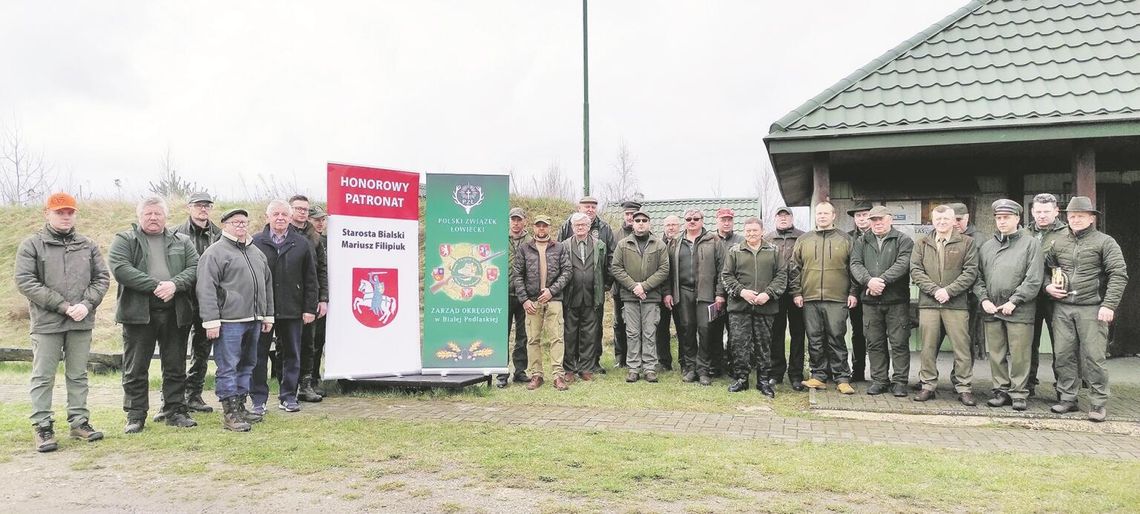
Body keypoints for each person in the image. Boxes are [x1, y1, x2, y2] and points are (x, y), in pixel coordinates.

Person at [16, 192, 110, 452]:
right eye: (60, 212)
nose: (65, 216)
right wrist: (62, 305)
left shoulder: (87, 245)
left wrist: (86, 304)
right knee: (43, 376)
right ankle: (42, 427)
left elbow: (101, 278)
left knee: (78, 375)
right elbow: (26, 281)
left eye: (70, 212)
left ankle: (79, 422)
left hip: (81, 320)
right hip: (47, 322)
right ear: (47, 213)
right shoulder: (32, 245)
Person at [108, 196, 201, 433]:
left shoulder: (182, 240)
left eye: (158, 213)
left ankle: (175, 410)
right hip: (139, 313)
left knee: (175, 365)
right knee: (136, 367)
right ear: (139, 216)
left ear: (165, 216)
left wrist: (175, 285)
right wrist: (156, 285)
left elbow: (195, 267)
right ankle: (135, 414)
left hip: (175, 312)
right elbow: (120, 268)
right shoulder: (125, 239)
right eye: (148, 213)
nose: (153, 217)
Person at [1044, 196, 1128, 422]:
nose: (1075, 219)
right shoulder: (1058, 242)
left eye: (1080, 216)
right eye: (1072, 216)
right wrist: (1048, 286)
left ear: (1091, 218)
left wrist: (1109, 304)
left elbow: (1118, 274)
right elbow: (1045, 269)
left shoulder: (1105, 242)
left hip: (1092, 308)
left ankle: (1098, 403)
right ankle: (1068, 398)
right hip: (1062, 308)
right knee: (1063, 355)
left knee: (1093, 357)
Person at [196, 208, 275, 432]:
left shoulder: (255, 252)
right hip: (229, 321)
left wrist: (267, 315)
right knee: (228, 366)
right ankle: (229, 412)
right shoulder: (215, 253)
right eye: (235, 222)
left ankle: (240, 406)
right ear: (225, 225)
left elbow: (266, 285)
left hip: (254, 319)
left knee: (248, 364)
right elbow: (206, 288)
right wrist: (211, 320)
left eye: (244, 222)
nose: (240, 226)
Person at [973, 199, 1042, 411]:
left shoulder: (1031, 244)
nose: (1002, 222)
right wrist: (983, 299)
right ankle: (1001, 390)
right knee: (996, 353)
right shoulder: (987, 246)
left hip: (1019, 310)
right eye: (998, 218)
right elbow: (977, 277)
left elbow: (1034, 278)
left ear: (1017, 219)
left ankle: (1019, 393)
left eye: (1006, 218)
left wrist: (1015, 300)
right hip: (992, 309)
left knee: (1020, 353)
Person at [251, 200, 319, 414]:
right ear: (267, 217)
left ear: (290, 218)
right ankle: (258, 399)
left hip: (293, 308)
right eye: (275, 214)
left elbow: (311, 278)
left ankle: (288, 396)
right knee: (258, 355)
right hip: (263, 310)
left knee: (292, 354)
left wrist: (309, 308)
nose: (280, 218)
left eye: (284, 214)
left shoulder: (301, 243)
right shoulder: (254, 242)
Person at [911, 205, 979, 405]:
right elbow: (915, 270)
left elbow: (971, 271)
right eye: (938, 220)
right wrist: (935, 290)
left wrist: (949, 291)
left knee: (962, 348)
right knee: (928, 347)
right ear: (932, 221)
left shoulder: (967, 243)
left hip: (956, 303)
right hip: (929, 304)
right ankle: (928, 385)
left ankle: (964, 387)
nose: (941, 223)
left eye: (946, 219)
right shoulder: (922, 243)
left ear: (953, 221)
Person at [791, 202, 858, 394]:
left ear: (833, 215)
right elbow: (794, 268)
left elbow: (854, 268)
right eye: (819, 213)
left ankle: (842, 377)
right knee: (814, 338)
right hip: (810, 297)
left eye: (825, 213)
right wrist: (796, 292)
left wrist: (853, 292)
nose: (821, 216)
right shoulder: (804, 240)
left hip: (837, 298)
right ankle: (818, 376)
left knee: (836, 337)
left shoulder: (845, 239)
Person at [849, 206, 914, 397]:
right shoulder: (861, 241)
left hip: (897, 301)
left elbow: (903, 264)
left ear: (890, 220)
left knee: (899, 342)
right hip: (870, 302)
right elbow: (855, 264)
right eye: (874, 220)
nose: (877, 224)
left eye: (881, 220)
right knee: (874, 343)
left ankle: (900, 381)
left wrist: (881, 281)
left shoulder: (903, 240)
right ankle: (879, 380)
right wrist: (868, 281)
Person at [721, 217, 787, 397]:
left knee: (764, 345)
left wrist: (768, 294)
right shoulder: (735, 251)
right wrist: (742, 292)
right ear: (744, 232)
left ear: (762, 231)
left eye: (754, 231)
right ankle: (741, 379)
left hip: (765, 307)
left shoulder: (773, 251)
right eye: (748, 231)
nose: (751, 234)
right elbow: (726, 276)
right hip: (739, 307)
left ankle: (763, 381)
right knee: (739, 345)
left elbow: (782, 275)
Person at [173, 192, 222, 415]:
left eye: (207, 205)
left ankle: (194, 394)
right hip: (182, 298)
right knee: (176, 349)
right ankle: (173, 396)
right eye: (199, 205)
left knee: (202, 351)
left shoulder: (220, 235)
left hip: (208, 301)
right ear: (189, 208)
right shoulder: (175, 234)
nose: (203, 209)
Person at [664, 208, 725, 385]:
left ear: (702, 220)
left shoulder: (713, 240)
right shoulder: (675, 242)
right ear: (684, 221)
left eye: (696, 218)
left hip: (706, 293)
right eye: (689, 219)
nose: (692, 221)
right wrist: (667, 292)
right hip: (682, 292)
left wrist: (720, 293)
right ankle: (690, 368)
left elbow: (723, 269)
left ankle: (704, 369)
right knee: (686, 329)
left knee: (706, 330)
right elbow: (666, 270)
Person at [512, 215, 572, 390]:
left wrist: (551, 290)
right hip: (532, 301)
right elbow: (517, 275)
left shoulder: (559, 248)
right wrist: (523, 300)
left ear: (549, 227)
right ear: (533, 227)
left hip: (554, 299)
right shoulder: (524, 249)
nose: (541, 229)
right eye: (538, 226)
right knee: (532, 339)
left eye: (544, 226)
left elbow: (567, 272)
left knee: (557, 338)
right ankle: (536, 375)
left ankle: (558, 376)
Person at [557, 196, 616, 371]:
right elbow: (557, 261)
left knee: (591, 332)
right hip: (571, 293)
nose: (580, 227)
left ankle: (588, 366)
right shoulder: (565, 238)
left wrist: (606, 284)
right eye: (586, 206)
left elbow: (609, 262)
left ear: (589, 226)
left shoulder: (602, 238)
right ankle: (569, 366)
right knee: (569, 332)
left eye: (593, 207)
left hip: (593, 293)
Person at [611, 210, 670, 383]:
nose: (641, 223)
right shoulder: (623, 244)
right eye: (637, 220)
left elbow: (664, 269)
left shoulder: (659, 245)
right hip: (629, 297)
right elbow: (616, 268)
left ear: (649, 223)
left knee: (650, 332)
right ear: (633, 224)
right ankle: (633, 368)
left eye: (644, 220)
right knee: (632, 333)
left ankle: (650, 368)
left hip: (651, 297)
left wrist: (644, 286)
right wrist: (633, 286)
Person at [1026, 193, 1067, 398]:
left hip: (1057, 298)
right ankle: (1027, 384)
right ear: (1032, 211)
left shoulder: (1067, 233)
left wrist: (1052, 284)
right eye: (1038, 212)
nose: (1042, 216)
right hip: (1030, 298)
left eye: (1046, 212)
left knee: (1061, 344)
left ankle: (1063, 388)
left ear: (1056, 211)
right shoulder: (1024, 233)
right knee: (1027, 343)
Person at [288, 194, 328, 403]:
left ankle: (306, 383)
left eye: (306, 209)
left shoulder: (315, 238)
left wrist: (323, 297)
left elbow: (322, 269)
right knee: (287, 344)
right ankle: (288, 387)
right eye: (299, 209)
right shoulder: (283, 232)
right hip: (288, 296)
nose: (302, 212)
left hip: (311, 296)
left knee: (309, 343)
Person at [767, 206, 807, 391]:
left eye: (786, 215)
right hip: (776, 294)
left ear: (792, 218)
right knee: (776, 333)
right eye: (780, 216)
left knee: (798, 334)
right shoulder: (767, 238)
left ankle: (796, 374)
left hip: (797, 292)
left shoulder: (803, 237)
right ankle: (776, 373)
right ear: (775, 219)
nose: (783, 219)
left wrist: (798, 290)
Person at [708, 207, 742, 376]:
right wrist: (717, 292)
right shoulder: (710, 240)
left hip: (736, 295)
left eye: (729, 219)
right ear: (717, 221)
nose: (726, 222)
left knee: (735, 332)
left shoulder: (740, 240)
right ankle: (716, 365)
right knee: (714, 330)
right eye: (723, 219)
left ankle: (734, 365)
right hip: (714, 294)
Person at [499, 207, 530, 387]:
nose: (516, 223)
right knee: (502, 335)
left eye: (519, 219)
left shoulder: (530, 241)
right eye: (513, 219)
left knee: (522, 335)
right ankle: (502, 373)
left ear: (524, 221)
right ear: (509, 221)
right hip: (504, 293)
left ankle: (520, 371)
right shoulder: (500, 239)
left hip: (524, 295)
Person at [845, 201, 873, 382]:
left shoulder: (879, 235)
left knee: (876, 334)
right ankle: (858, 371)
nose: (861, 219)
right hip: (854, 293)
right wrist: (852, 292)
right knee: (857, 333)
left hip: (876, 291)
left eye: (865, 215)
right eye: (858, 216)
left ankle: (881, 374)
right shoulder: (848, 238)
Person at [307, 205, 330, 396]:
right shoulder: (306, 240)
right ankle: (308, 380)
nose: (320, 223)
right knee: (309, 342)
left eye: (323, 219)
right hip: (309, 297)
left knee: (319, 341)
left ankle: (315, 377)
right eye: (316, 220)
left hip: (325, 297)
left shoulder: (328, 240)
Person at [656, 214, 682, 371]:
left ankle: (684, 361)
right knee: (661, 329)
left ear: (679, 227)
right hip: (661, 293)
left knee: (683, 328)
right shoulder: (659, 244)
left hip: (681, 292)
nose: (671, 228)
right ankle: (664, 361)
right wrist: (666, 292)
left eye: (674, 224)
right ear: (663, 227)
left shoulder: (683, 244)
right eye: (668, 225)